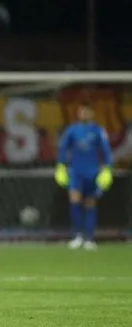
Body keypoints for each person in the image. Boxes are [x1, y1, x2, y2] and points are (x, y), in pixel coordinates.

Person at [54, 102, 114, 250]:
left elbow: (106, 150)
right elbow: (63, 148)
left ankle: (89, 238)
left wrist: (107, 168)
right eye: (82, 111)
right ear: (78, 113)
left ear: (92, 113)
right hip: (76, 172)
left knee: (90, 203)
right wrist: (60, 165)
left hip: (92, 172)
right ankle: (77, 236)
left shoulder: (98, 131)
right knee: (74, 199)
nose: (84, 114)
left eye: (87, 111)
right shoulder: (72, 130)